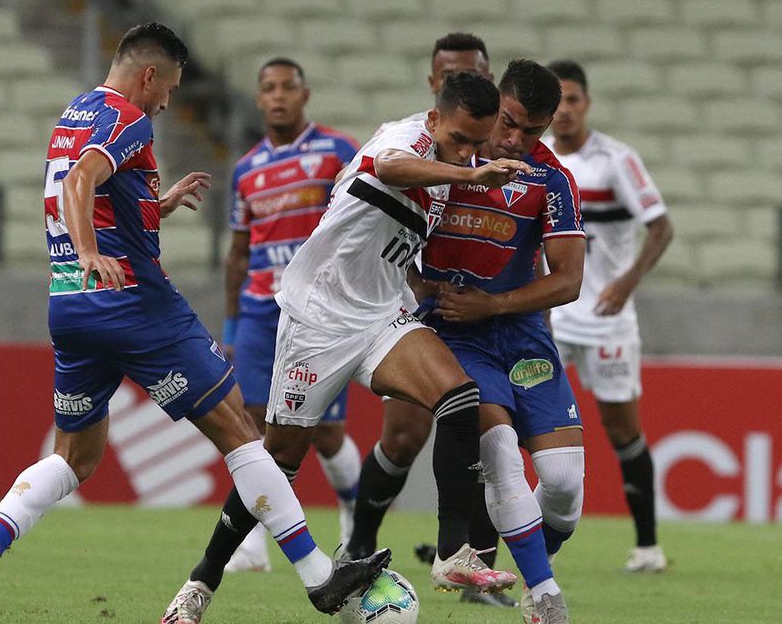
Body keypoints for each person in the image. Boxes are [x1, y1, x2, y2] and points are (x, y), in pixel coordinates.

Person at [0, 22, 389, 624]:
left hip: (70, 305)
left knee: (74, 456)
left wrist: (155, 205)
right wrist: (91, 249)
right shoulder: (128, 116)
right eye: (169, 88)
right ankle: (319, 577)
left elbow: (91, 188)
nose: (167, 102)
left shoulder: (76, 112)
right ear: (149, 75)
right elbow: (80, 182)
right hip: (134, 302)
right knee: (241, 432)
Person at [166, 72, 529, 622]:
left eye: (476, 144)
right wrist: (470, 172)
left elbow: (394, 239)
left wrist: (424, 280)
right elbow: (389, 169)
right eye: (458, 139)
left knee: (459, 397)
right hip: (317, 318)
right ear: (435, 119)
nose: (466, 152)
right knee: (278, 461)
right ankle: (201, 581)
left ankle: (453, 553)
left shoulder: (451, 169)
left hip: (380, 317)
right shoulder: (405, 139)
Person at [414, 59, 587, 624]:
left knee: (563, 486)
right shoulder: (440, 157)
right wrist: (416, 285)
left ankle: (530, 558)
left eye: (531, 130)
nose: (514, 139)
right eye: (508, 122)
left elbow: (569, 280)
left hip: (521, 333)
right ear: (495, 103)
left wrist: (494, 304)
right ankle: (544, 596)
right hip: (455, 335)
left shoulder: (551, 180)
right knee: (502, 454)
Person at [350, 32, 513, 609]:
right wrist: (418, 282)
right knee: (402, 437)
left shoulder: (505, 158)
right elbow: (387, 224)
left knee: (488, 430)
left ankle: (471, 565)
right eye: (449, 75)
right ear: (434, 87)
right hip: (417, 307)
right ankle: (359, 544)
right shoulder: (417, 146)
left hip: (485, 317)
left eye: (476, 74)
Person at [224, 57, 364, 572]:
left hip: (317, 312)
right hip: (260, 312)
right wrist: (232, 326)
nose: (279, 96)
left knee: (323, 433)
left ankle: (355, 518)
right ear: (259, 99)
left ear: (305, 95)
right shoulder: (246, 170)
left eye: (288, 87)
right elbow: (239, 253)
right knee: (253, 426)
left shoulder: (338, 152)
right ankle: (252, 546)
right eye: (269, 88)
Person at [543, 60, 675, 574]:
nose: (565, 110)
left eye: (573, 99)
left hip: (606, 319)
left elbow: (661, 227)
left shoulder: (616, 159)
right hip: (551, 317)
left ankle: (647, 547)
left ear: (588, 104)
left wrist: (626, 282)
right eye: (557, 101)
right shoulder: (536, 158)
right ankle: (490, 545)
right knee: (522, 424)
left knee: (622, 430)